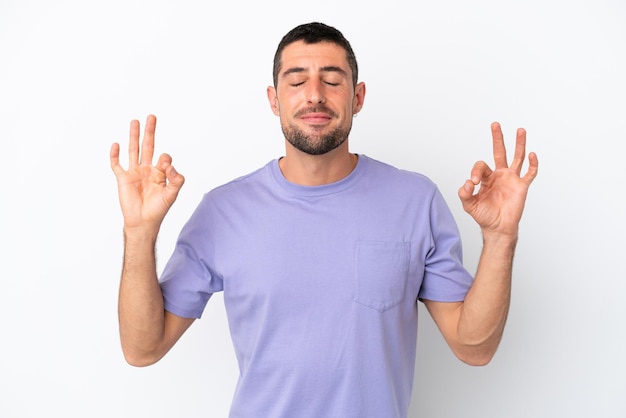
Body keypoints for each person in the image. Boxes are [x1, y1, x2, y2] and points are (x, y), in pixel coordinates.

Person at [110, 22, 538, 418]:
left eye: (332, 80)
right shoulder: (223, 211)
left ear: (358, 97)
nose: (314, 94)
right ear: (274, 99)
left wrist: (501, 238)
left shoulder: (415, 200)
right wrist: (139, 232)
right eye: (296, 81)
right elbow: (142, 349)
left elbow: (473, 347)